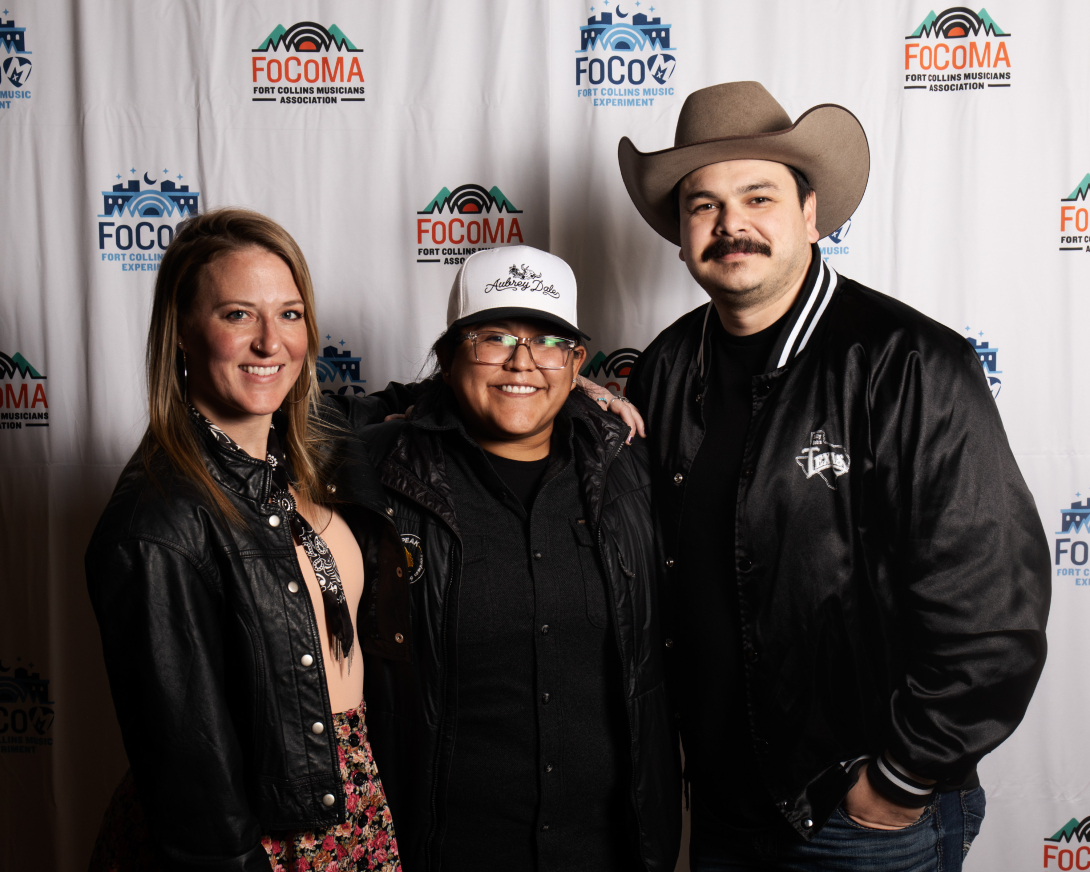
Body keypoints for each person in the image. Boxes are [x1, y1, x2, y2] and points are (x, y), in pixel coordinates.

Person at [612, 81, 1051, 870]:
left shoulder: (909, 363)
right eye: (703, 205)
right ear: (680, 236)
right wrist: (556, 395)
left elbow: (993, 610)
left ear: (811, 216)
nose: (730, 224)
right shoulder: (668, 368)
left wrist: (901, 775)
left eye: (757, 196)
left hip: (859, 820)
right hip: (717, 809)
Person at [335, 245, 681, 871]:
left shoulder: (630, 471)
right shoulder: (377, 472)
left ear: (577, 362)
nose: (522, 361)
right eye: (493, 337)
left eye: (548, 342)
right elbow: (265, 415)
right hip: (444, 850)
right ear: (448, 356)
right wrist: (420, 395)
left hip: (606, 853)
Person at [85, 209, 410, 872]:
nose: (271, 343)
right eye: (238, 314)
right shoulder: (158, 522)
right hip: (252, 837)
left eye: (290, 314)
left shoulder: (306, 451)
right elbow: (187, 768)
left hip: (346, 805)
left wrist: (567, 385)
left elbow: (429, 399)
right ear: (182, 331)